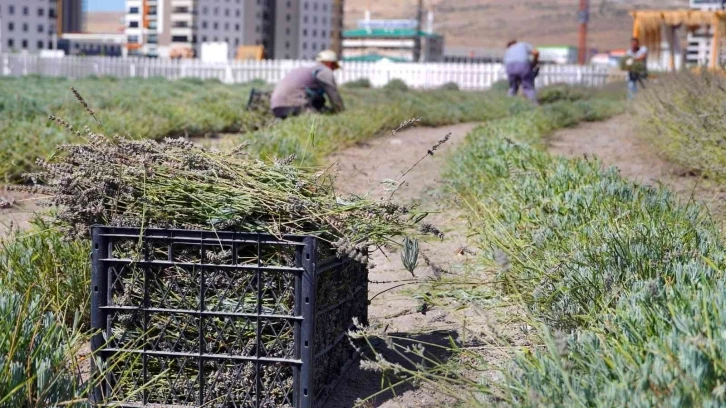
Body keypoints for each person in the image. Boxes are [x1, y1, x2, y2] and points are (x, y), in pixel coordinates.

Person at [270, 49, 345, 120]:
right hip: (296, 106)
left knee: (319, 100)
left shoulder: (306, 68)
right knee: (321, 120)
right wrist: (340, 112)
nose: (333, 70)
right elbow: (333, 94)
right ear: (330, 63)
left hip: (277, 107)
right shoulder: (324, 71)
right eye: (334, 67)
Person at [504, 40, 540, 104]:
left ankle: (508, 104)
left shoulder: (508, 50)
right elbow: (535, 52)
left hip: (509, 67)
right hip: (522, 66)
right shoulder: (523, 44)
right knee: (528, 87)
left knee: (513, 88)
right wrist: (535, 61)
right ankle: (534, 105)